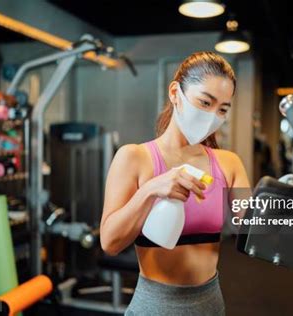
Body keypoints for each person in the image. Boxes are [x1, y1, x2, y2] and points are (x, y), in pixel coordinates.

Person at [100, 51, 250, 315]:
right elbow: (110, 242)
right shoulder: (134, 158)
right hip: (156, 306)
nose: (213, 116)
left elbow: (253, 231)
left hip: (211, 304)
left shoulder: (228, 163)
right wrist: (150, 190)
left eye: (222, 109)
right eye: (205, 102)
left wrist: (283, 199)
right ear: (175, 93)